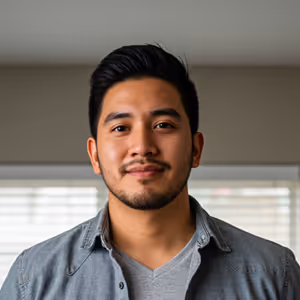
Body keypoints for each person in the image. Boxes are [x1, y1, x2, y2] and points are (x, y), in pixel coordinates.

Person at [0, 44, 299, 300]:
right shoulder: (34, 279)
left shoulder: (275, 274)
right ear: (95, 155)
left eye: (163, 125)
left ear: (195, 149)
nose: (142, 146)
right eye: (120, 128)